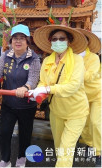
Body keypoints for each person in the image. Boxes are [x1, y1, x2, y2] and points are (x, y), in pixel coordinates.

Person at [0, 24, 41, 167]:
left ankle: (21, 158)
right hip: (8, 104)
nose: (18, 41)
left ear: (27, 41)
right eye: (15, 38)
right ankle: (5, 160)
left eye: (22, 38)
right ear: (11, 41)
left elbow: (34, 77)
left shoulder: (34, 58)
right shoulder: (5, 56)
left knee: (25, 134)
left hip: (26, 105)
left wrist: (26, 87)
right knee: (4, 132)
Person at [31, 24, 89, 167]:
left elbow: (73, 86)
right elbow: (43, 82)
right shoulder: (47, 61)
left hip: (76, 112)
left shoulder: (77, 60)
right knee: (59, 150)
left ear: (68, 41)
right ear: (51, 42)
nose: (58, 42)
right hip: (56, 112)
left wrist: (48, 89)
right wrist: (37, 92)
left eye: (62, 38)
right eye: (54, 39)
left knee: (65, 151)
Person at [76, 28, 101, 166]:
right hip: (81, 97)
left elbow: (89, 76)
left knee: (95, 123)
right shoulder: (72, 56)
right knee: (84, 126)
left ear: (87, 41)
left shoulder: (94, 58)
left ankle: (99, 152)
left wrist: (77, 66)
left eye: (83, 38)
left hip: (96, 95)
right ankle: (89, 145)